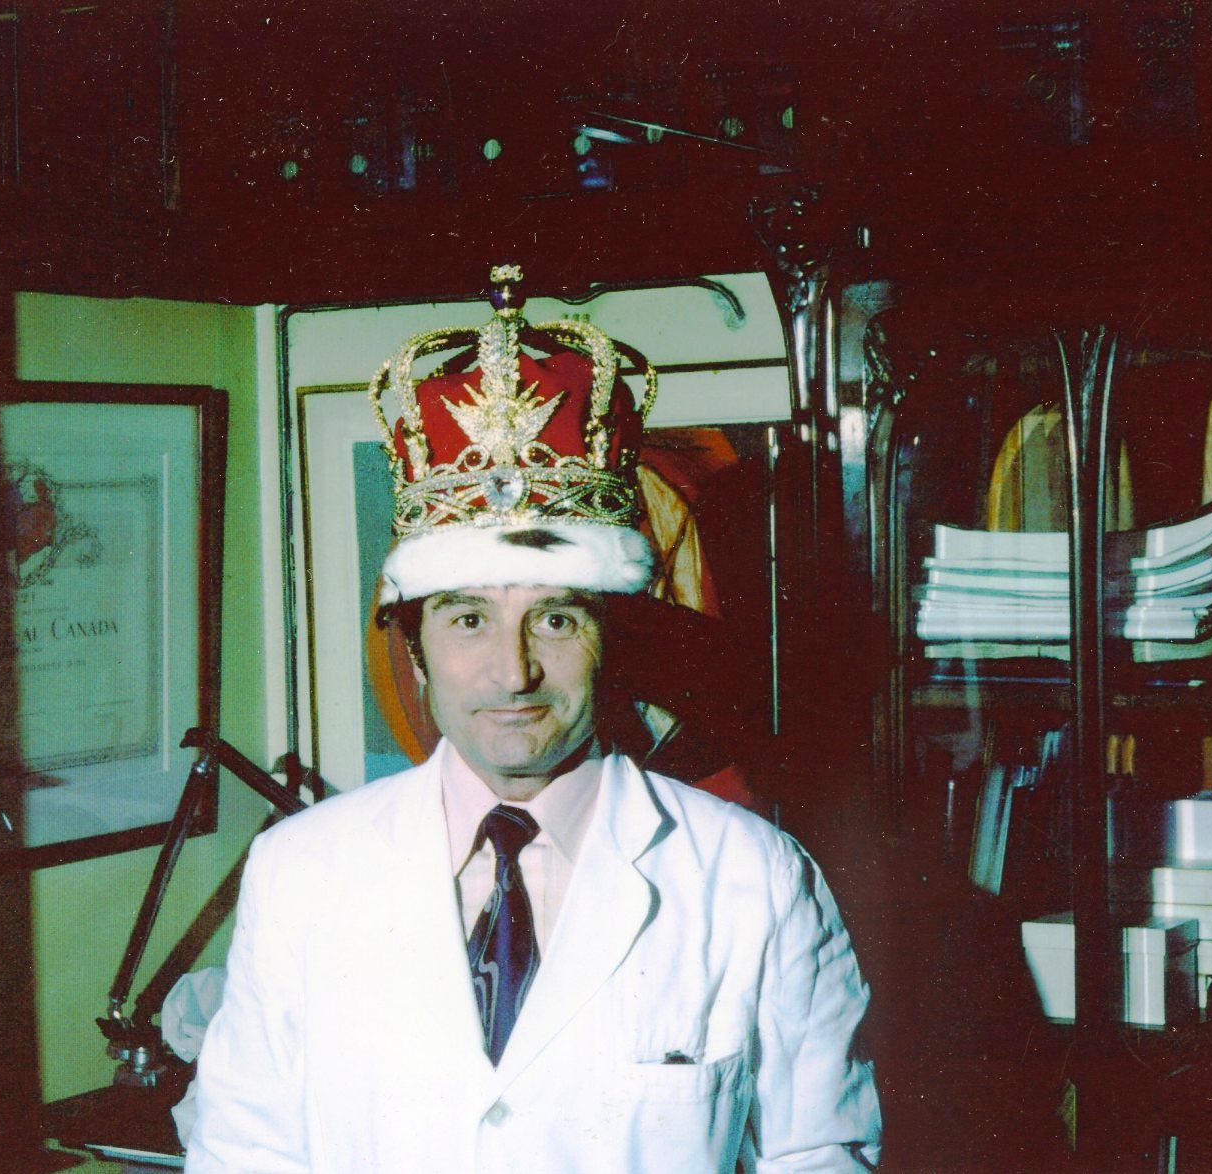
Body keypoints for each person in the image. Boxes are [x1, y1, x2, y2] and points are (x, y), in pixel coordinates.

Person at [187, 267, 880, 1172]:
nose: (512, 673)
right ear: (415, 653)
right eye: (468, 619)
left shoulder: (754, 879)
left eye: (555, 618)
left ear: (612, 640)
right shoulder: (299, 874)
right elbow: (242, 1155)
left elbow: (821, 1157)